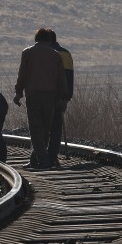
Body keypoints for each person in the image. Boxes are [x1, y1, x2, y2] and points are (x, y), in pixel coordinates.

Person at [14, 28, 68, 170]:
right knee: (45, 129)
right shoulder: (56, 55)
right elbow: (61, 79)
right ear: (49, 40)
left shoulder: (27, 53)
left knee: (36, 128)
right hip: (50, 96)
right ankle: (40, 160)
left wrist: (18, 93)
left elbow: (22, 74)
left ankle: (43, 162)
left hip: (33, 96)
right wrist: (63, 98)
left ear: (36, 38)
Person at [47, 29, 74, 168]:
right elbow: (69, 77)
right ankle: (52, 157)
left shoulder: (44, 53)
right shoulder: (66, 54)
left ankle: (41, 157)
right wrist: (67, 97)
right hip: (60, 96)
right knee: (56, 128)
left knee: (42, 127)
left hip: (45, 95)